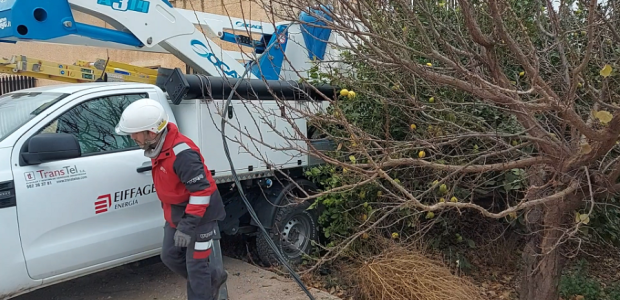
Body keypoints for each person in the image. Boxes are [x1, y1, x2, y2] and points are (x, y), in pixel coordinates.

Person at [115, 98, 228, 300]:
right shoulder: (159, 147)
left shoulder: (182, 153)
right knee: (170, 257)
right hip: (177, 214)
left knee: (196, 267)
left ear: (151, 132)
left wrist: (187, 226)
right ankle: (213, 277)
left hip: (201, 217)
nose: (132, 137)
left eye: (135, 133)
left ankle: (204, 287)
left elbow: (202, 192)